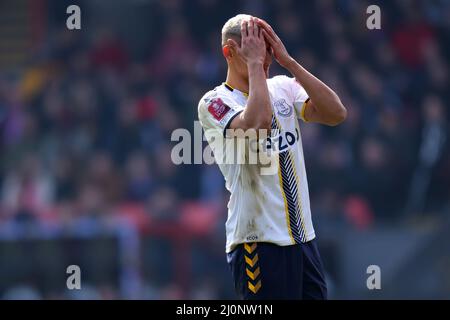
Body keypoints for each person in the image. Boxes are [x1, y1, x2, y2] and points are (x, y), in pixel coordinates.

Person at [197, 14, 347, 300]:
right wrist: (255, 65)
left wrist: (289, 62)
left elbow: (336, 113)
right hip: (258, 240)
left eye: (267, 50)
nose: (264, 59)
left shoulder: (283, 86)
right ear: (229, 51)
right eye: (254, 50)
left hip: (303, 238)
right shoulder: (214, 101)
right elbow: (258, 123)